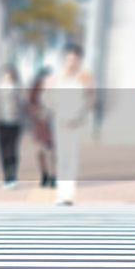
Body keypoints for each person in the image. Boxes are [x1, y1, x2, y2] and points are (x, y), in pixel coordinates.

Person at [47, 44, 94, 205]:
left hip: (76, 122)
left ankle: (68, 194)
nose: (71, 62)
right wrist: (58, 113)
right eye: (68, 59)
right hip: (60, 121)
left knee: (72, 157)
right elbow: (47, 97)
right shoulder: (56, 76)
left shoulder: (84, 76)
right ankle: (61, 193)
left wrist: (79, 116)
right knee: (62, 157)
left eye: (74, 59)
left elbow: (90, 98)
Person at [0, 64, 24, 188]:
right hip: (0, 122)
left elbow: (23, 106)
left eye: (10, 75)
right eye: (6, 75)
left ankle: (13, 175)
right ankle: (6, 174)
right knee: (3, 149)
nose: (8, 77)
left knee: (12, 149)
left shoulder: (18, 89)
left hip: (15, 122)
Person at [28, 69, 56, 188]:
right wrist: (37, 112)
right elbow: (30, 103)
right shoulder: (36, 88)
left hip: (53, 124)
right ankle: (44, 173)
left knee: (51, 152)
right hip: (39, 124)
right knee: (39, 151)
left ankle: (53, 176)